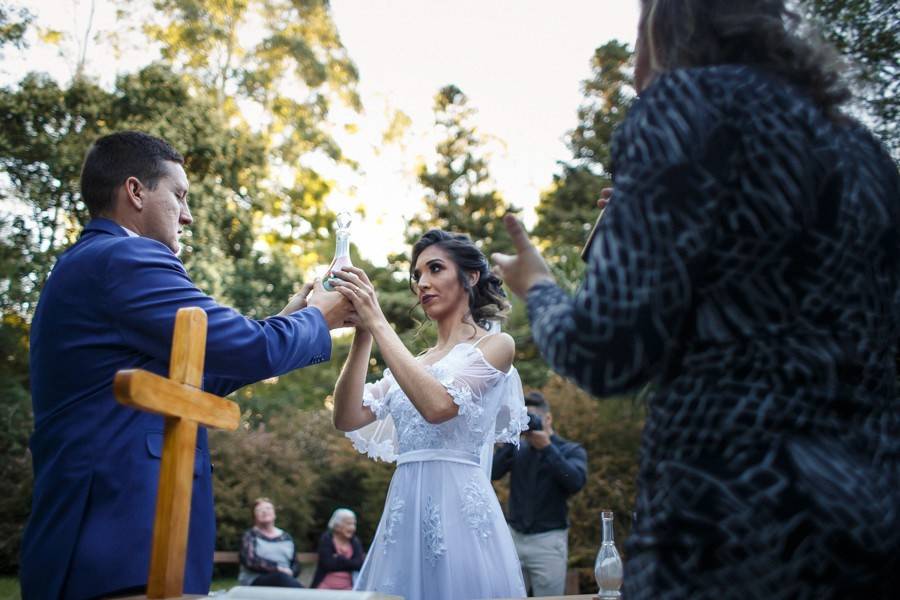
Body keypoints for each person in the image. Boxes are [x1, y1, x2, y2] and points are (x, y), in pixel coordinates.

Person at [492, 1, 900, 597]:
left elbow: (606, 351)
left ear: (663, 24)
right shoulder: (862, 149)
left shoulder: (684, 105)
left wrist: (540, 287)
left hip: (731, 515)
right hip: (870, 519)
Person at [20, 131, 352, 600]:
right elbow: (243, 346)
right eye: (179, 195)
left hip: (118, 535)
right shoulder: (126, 256)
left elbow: (191, 379)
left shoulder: (93, 263)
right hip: (119, 534)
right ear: (135, 192)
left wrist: (289, 322)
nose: (189, 214)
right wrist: (320, 318)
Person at [330, 229, 529, 600]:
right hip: (403, 516)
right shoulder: (412, 365)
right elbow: (346, 417)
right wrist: (363, 336)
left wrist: (379, 322)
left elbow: (439, 406)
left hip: (459, 516)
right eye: (417, 275)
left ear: (470, 277)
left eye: (435, 269)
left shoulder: (496, 346)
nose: (422, 283)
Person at [491, 391, 587, 596]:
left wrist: (547, 448)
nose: (529, 422)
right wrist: (512, 437)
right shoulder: (518, 448)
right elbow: (492, 473)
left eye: (532, 417)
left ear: (548, 418)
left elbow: (575, 483)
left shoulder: (570, 449)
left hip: (548, 542)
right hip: (513, 538)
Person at [239, 498, 302, 588]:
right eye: (259, 510)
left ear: (274, 513)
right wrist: (277, 569)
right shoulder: (250, 536)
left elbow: (295, 563)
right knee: (281, 578)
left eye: (268, 508)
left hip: (286, 580)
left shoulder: (286, 537)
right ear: (254, 516)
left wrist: (291, 572)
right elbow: (250, 561)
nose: (264, 511)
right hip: (256, 581)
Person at [311, 508, 365, 590]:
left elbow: (359, 564)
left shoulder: (355, 541)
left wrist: (340, 558)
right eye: (348, 524)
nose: (352, 528)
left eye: (354, 524)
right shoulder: (326, 539)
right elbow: (327, 564)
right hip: (324, 587)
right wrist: (350, 563)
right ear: (337, 526)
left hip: (349, 588)